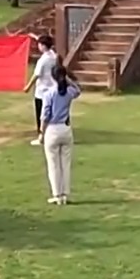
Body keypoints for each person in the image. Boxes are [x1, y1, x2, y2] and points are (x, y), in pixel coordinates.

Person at [40, 64, 81, 205]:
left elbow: (45, 116)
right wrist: (68, 80)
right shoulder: (68, 92)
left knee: (53, 164)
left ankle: (57, 194)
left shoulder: (49, 94)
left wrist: (41, 132)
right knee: (65, 164)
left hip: (52, 129)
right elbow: (78, 90)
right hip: (65, 129)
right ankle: (65, 195)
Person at [23, 34, 59, 146]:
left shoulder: (43, 60)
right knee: (51, 114)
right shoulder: (53, 55)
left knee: (42, 116)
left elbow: (36, 75)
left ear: (43, 46)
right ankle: (51, 135)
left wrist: (28, 86)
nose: (38, 46)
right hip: (53, 89)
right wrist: (34, 36)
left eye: (39, 44)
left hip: (42, 91)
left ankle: (42, 137)